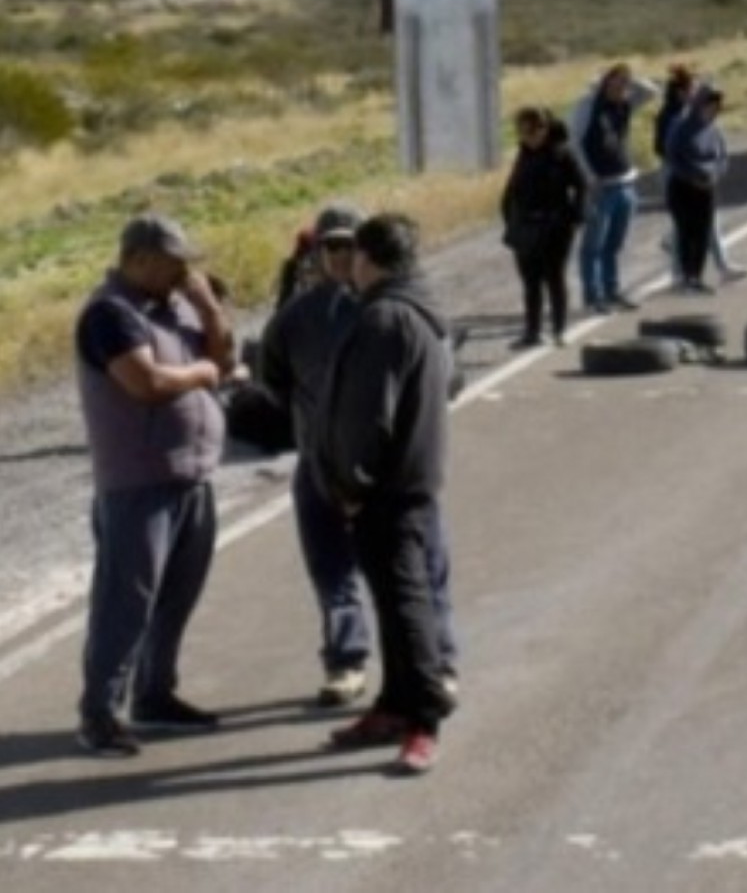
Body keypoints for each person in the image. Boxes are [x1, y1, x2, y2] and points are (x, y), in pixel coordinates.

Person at [262, 204, 461, 707]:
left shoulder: (395, 308)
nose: (342, 256)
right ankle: (348, 662)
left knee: (420, 571)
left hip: (394, 474)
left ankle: (435, 667)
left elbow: (444, 378)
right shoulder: (295, 318)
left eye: (352, 246)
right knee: (332, 570)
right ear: (316, 252)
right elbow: (274, 382)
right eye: (332, 246)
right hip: (321, 466)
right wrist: (321, 433)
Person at [73, 215, 234, 757]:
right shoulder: (110, 315)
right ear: (138, 259)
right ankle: (99, 712)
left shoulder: (177, 307)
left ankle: (154, 694)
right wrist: (205, 375)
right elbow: (146, 384)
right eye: (174, 262)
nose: (184, 272)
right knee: (126, 601)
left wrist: (210, 309)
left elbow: (227, 356)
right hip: (137, 481)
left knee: (176, 597)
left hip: (193, 475)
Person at [316, 214, 460, 775]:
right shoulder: (418, 310)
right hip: (409, 482)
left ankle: (425, 717)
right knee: (396, 600)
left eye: (353, 253)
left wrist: (352, 484)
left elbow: (366, 416)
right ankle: (395, 704)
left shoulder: (383, 318)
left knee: (405, 605)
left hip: (386, 489)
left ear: (368, 257)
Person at [568, 64, 658, 315]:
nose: (620, 88)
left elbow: (652, 92)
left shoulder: (625, 104)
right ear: (604, 83)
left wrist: (632, 78)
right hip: (600, 185)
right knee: (593, 245)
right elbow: (574, 142)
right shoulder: (588, 106)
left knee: (615, 244)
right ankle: (593, 295)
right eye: (615, 82)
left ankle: (612, 289)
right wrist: (588, 176)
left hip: (625, 182)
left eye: (624, 84)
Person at [500, 109, 586, 349]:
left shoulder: (561, 154)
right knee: (530, 282)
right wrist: (510, 220)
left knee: (555, 278)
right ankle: (532, 330)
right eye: (524, 131)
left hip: (555, 226)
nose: (530, 136)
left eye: (535, 130)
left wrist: (575, 216)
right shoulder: (524, 154)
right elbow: (512, 191)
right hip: (526, 227)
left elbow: (581, 186)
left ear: (545, 129)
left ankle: (560, 329)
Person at [663, 86, 731, 294]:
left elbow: (722, 157)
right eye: (709, 105)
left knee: (702, 234)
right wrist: (693, 177)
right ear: (699, 105)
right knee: (686, 233)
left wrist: (714, 175)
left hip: (707, 187)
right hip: (683, 187)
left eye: (715, 107)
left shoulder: (713, 129)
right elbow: (673, 157)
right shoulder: (681, 126)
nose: (712, 110)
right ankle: (684, 277)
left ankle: (697, 277)